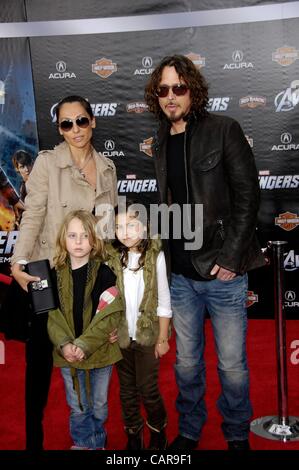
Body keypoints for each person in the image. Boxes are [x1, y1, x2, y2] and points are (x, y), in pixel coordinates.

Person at [144, 55, 266, 451]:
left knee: (231, 366)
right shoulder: (160, 139)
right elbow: (169, 203)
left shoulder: (223, 130)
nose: (170, 96)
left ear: (193, 90)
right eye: (163, 89)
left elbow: (248, 197)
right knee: (186, 364)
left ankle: (235, 434)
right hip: (179, 275)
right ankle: (191, 431)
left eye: (178, 87)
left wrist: (231, 258)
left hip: (222, 273)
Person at [10, 95, 118, 450]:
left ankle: (89, 436)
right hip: (47, 270)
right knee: (39, 361)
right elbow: (33, 215)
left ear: (93, 122)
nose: (75, 130)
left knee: (91, 352)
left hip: (90, 274)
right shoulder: (46, 164)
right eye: (66, 124)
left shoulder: (106, 168)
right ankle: (34, 441)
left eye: (81, 121)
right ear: (59, 128)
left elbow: (108, 231)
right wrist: (18, 261)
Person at [47, 210, 122, 450]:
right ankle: (82, 442)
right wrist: (65, 344)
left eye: (84, 235)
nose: (78, 242)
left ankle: (97, 440)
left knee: (99, 405)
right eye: (72, 235)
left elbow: (109, 315)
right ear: (63, 239)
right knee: (77, 404)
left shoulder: (105, 273)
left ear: (94, 240)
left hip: (101, 352)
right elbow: (51, 315)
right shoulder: (53, 275)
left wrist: (84, 345)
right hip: (66, 353)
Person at [106, 201, 172, 450]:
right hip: (122, 337)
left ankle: (158, 428)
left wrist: (163, 338)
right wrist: (110, 328)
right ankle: (133, 433)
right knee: (127, 390)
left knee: (147, 387)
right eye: (118, 226)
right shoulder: (113, 258)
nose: (125, 232)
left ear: (144, 227)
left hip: (148, 336)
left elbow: (164, 300)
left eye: (131, 225)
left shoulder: (157, 257)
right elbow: (106, 300)